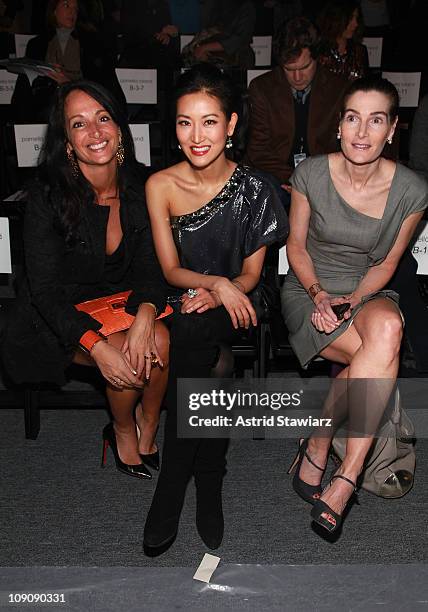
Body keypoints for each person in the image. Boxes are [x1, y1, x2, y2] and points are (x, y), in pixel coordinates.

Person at [142, 63, 288, 553]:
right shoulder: (160, 185)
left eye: (209, 121)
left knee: (196, 332)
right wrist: (212, 284)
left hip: (245, 300)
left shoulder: (257, 189)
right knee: (208, 352)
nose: (196, 135)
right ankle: (208, 475)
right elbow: (169, 271)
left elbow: (250, 277)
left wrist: (227, 288)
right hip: (187, 296)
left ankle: (174, 481)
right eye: (185, 122)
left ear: (230, 125)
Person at [281, 76, 428, 534]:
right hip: (309, 290)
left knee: (386, 331)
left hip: (366, 289)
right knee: (378, 359)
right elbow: (297, 249)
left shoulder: (412, 190)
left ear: (392, 129)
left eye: (376, 120)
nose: (362, 132)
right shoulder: (309, 174)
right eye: (352, 118)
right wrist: (321, 295)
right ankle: (325, 445)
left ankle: (343, 470)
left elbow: (385, 265)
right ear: (339, 125)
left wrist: (353, 299)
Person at [1, 80, 169, 479]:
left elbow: (152, 265)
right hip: (58, 315)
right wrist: (96, 347)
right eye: (79, 124)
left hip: (121, 302)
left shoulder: (143, 186)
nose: (95, 133)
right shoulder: (46, 197)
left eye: (103, 118)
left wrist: (146, 313)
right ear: (67, 140)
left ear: (119, 126)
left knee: (158, 337)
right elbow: (44, 292)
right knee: (127, 352)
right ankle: (122, 429)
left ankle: (150, 423)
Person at [245, 17, 349, 192]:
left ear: (317, 59)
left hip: (322, 177)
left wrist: (311, 181)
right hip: (274, 176)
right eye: (289, 69)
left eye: (304, 67)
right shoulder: (262, 88)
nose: (297, 77)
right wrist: (293, 179)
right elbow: (258, 150)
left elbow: (339, 147)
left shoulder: (338, 89)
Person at [11, 0, 125, 122]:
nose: (72, 12)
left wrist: (68, 82)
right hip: (47, 101)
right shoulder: (37, 44)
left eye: (75, 9)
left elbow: (101, 80)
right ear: (54, 11)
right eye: (66, 6)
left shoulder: (91, 42)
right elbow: (29, 83)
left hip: (82, 98)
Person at [317, 0, 369, 81]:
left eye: (356, 18)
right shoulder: (320, 52)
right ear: (336, 20)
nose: (355, 24)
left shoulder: (360, 52)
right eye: (350, 18)